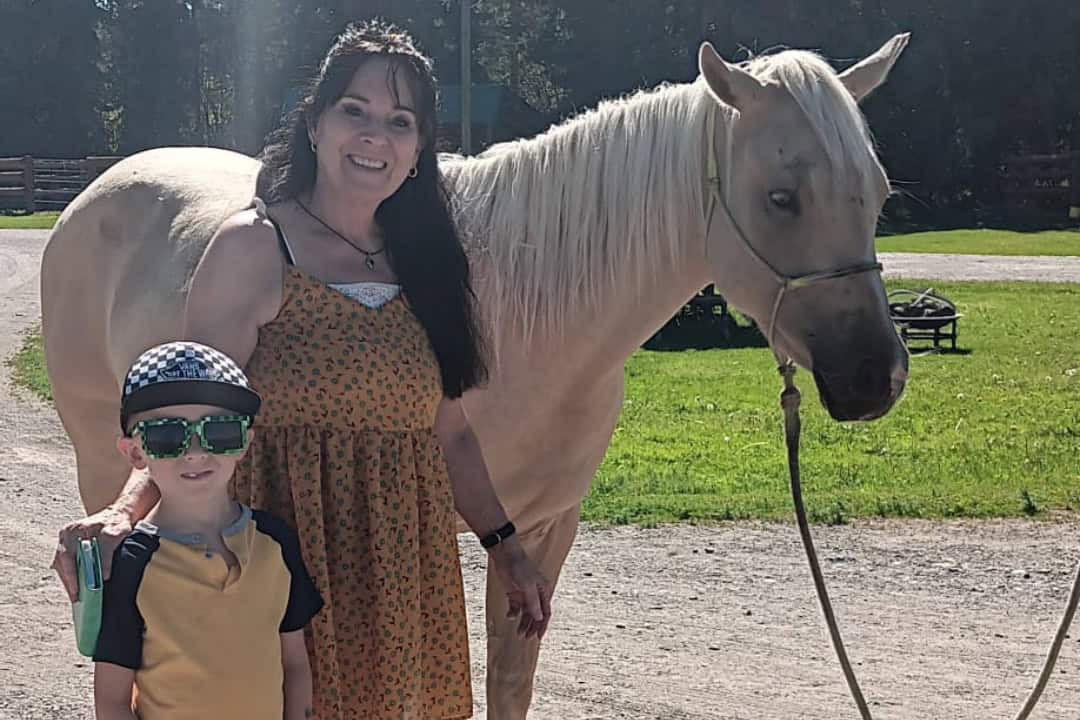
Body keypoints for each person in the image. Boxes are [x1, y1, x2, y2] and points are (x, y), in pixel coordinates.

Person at [54, 19, 552, 719]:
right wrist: (122, 512)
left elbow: (452, 434)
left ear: (418, 152)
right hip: (279, 562)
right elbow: (187, 410)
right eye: (355, 111)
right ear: (315, 126)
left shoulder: (433, 263)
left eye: (399, 121)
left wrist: (508, 550)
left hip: (400, 573)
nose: (375, 135)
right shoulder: (255, 248)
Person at [94, 341, 322, 720]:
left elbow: (295, 665)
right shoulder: (133, 563)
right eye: (167, 436)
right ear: (135, 453)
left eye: (220, 431)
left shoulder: (274, 541)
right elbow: (112, 700)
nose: (196, 451)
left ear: (245, 443)